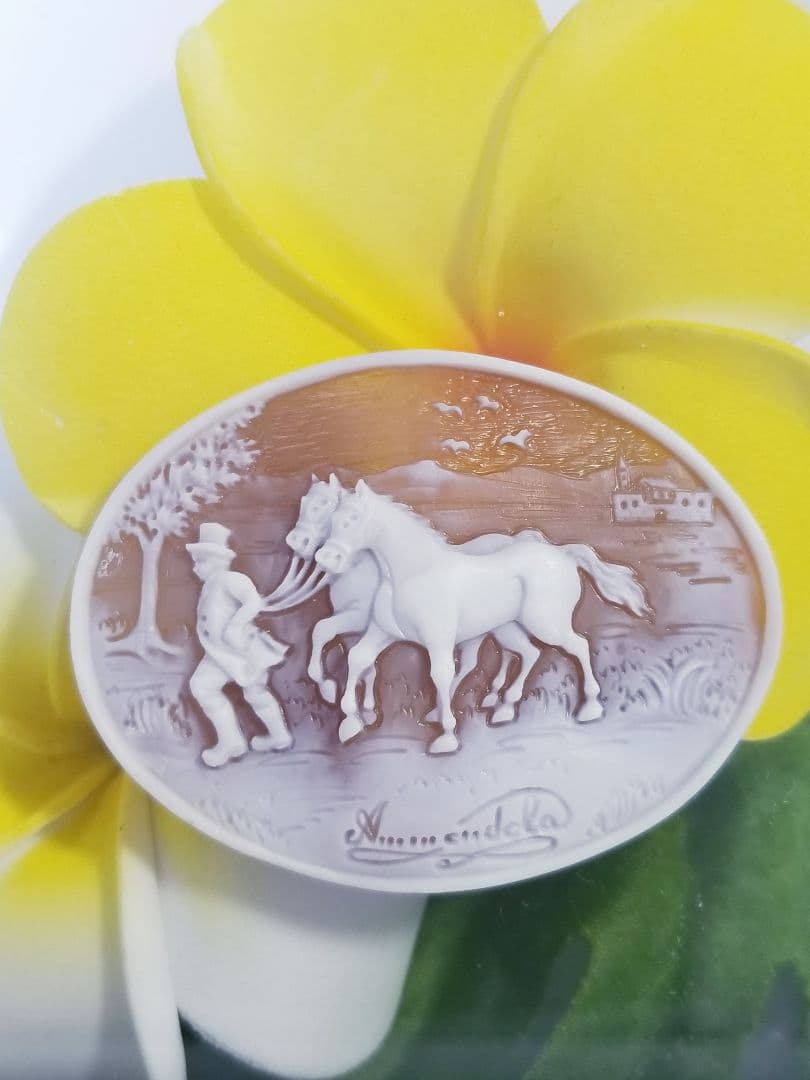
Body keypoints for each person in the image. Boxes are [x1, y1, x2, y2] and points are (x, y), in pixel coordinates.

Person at [186, 522, 292, 767]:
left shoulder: (230, 579)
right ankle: (232, 741)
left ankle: (278, 736)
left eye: (200, 562)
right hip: (219, 653)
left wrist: (235, 626)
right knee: (203, 686)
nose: (195, 568)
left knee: (254, 692)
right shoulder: (211, 585)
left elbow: (253, 602)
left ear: (217, 561)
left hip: (243, 650)